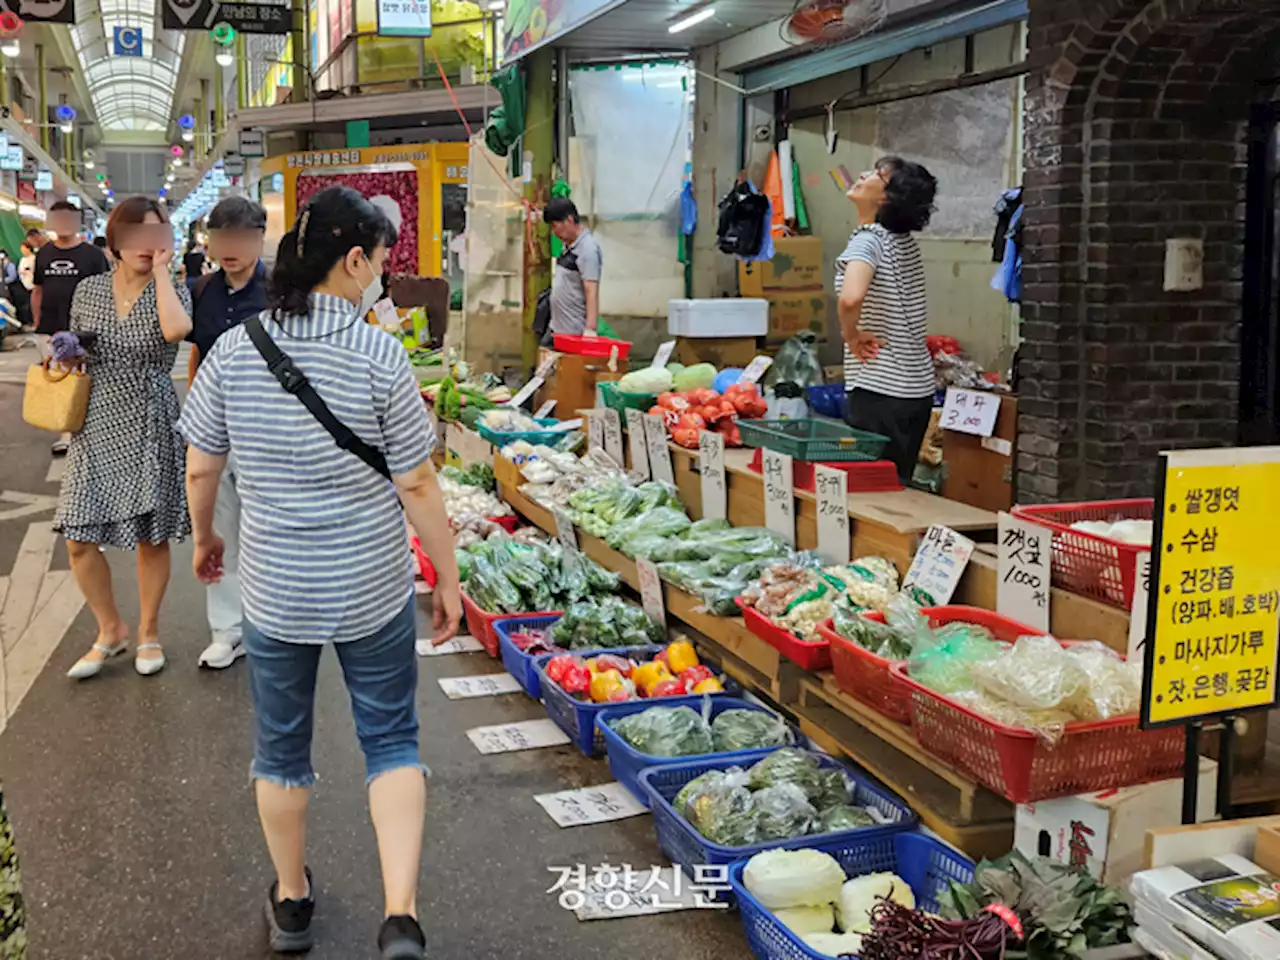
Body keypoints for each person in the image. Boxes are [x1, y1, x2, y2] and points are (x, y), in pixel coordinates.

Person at [179, 186, 462, 960]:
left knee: (280, 750)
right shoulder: (379, 354)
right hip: (370, 586)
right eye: (378, 259)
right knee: (392, 741)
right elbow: (417, 483)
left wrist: (205, 540)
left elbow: (202, 467)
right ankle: (400, 915)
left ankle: (294, 904)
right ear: (353, 260)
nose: (379, 273)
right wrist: (449, 576)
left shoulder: (237, 350)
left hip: (275, 590)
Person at [57, 197, 193, 680]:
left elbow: (177, 331)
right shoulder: (88, 290)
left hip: (149, 415)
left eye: (156, 236)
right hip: (95, 419)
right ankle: (110, 629)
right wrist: (65, 357)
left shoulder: (172, 288)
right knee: (77, 535)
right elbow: (76, 345)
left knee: (150, 538)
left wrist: (160, 274)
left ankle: (148, 632)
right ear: (115, 241)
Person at [186, 196, 269, 670]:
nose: (231, 247)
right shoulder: (201, 291)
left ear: (259, 237)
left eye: (241, 237)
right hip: (216, 431)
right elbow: (196, 355)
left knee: (270, 531)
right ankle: (226, 630)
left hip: (270, 430)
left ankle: (274, 622)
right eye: (222, 238)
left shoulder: (281, 289)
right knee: (219, 529)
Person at [836, 156, 939, 484]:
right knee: (898, 485)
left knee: (872, 489)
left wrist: (849, 334)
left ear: (886, 198)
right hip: (917, 387)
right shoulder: (903, 242)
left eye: (875, 174)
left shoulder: (868, 241)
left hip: (880, 386)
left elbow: (851, 296)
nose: (862, 174)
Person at [32, 202, 111, 456]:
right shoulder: (43, 253)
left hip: (86, 329)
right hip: (52, 326)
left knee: (89, 378)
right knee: (60, 379)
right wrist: (37, 323)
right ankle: (66, 431)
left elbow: (107, 291)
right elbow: (38, 289)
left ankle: (93, 427)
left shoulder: (93, 255)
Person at [542, 197, 602, 342]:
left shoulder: (588, 250)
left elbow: (591, 289)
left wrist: (590, 329)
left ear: (569, 220)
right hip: (556, 327)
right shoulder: (568, 244)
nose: (554, 232)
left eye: (555, 226)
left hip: (573, 331)